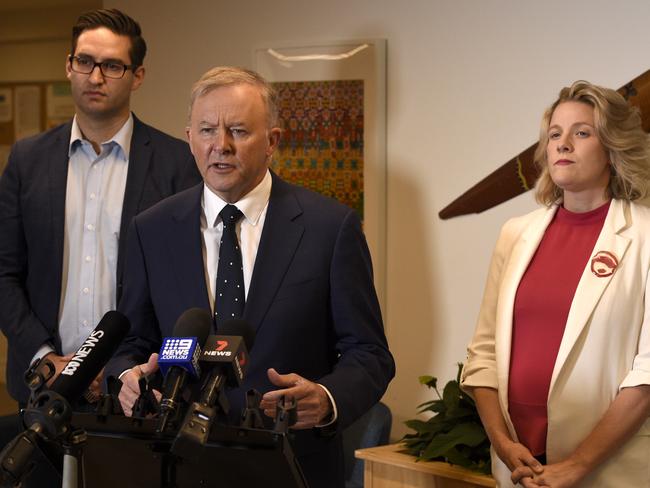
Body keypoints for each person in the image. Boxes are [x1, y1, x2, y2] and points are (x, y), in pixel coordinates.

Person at [106, 66, 395, 488]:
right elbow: (132, 342)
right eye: (206, 130)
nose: (220, 146)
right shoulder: (151, 228)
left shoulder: (330, 228)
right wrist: (127, 378)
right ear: (189, 139)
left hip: (293, 464)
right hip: (178, 465)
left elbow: (370, 354)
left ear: (272, 142)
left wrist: (327, 398)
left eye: (238, 131)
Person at [0, 7, 200, 406]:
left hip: (135, 387)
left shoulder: (178, 163)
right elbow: (4, 272)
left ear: (137, 75)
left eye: (112, 65)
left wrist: (121, 368)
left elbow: (185, 286)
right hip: (44, 382)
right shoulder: (27, 160)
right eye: (85, 61)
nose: (95, 76)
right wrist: (46, 357)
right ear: (69, 66)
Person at [461, 80, 650, 487]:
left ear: (613, 148)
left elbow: (648, 374)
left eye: (582, 133)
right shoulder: (516, 233)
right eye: (555, 134)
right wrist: (502, 445)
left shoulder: (646, 235)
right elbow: (483, 356)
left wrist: (577, 465)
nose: (563, 144)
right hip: (519, 466)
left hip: (608, 469)